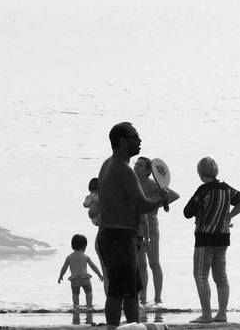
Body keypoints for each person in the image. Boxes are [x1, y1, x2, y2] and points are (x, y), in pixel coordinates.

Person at [96, 122, 169, 328]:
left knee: (130, 289)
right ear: (122, 141)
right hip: (119, 237)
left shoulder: (107, 163)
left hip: (110, 235)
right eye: (135, 137)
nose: (139, 141)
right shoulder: (124, 170)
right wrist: (161, 199)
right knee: (119, 291)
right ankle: (116, 328)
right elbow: (143, 204)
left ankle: (132, 326)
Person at [183, 156, 240, 324]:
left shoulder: (203, 190)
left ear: (200, 173)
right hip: (223, 236)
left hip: (205, 237)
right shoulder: (226, 188)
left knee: (201, 275)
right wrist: (229, 216)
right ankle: (221, 313)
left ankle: (206, 314)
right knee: (221, 276)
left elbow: (187, 212)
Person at [133, 156, 180, 307]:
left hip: (152, 229)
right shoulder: (133, 184)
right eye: (136, 164)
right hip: (136, 229)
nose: (136, 167)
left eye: (141, 166)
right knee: (141, 265)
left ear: (148, 171)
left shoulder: (153, 184)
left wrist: (155, 205)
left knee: (154, 263)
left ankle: (158, 299)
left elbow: (173, 195)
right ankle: (143, 298)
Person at [58, 234, 104, 309]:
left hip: (74, 279)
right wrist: (99, 274)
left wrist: (60, 276)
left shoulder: (69, 257)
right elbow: (93, 266)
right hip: (85, 278)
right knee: (88, 292)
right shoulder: (85, 257)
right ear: (84, 246)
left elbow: (64, 268)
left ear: (72, 246)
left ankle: (76, 306)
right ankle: (89, 305)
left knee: (75, 294)